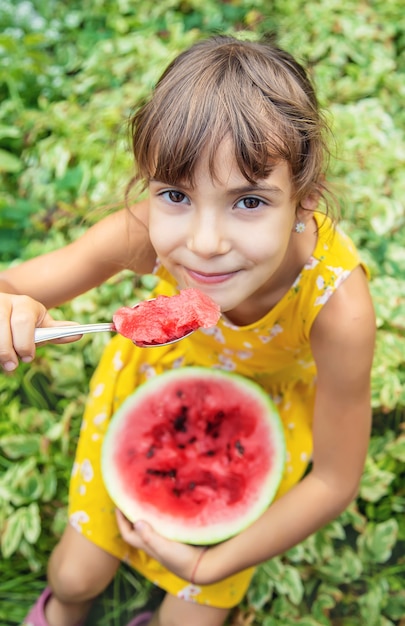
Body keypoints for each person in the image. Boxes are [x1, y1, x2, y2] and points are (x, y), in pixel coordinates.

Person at [0, 34, 375, 626]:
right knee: (72, 579)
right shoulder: (142, 233)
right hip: (152, 378)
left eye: (248, 201)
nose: (204, 244)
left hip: (265, 420)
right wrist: (10, 311)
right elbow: (9, 285)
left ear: (303, 200)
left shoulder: (338, 307)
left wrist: (206, 566)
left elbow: (333, 479)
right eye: (176, 195)